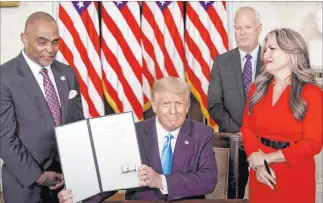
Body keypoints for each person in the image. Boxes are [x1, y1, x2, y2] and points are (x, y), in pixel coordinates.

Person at [58, 77, 218, 203]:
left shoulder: (201, 133)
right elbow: (112, 177)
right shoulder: (134, 132)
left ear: (188, 105)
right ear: (154, 106)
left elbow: (208, 180)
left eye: (179, 104)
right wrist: (79, 197)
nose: (173, 111)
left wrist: (161, 181)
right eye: (166, 104)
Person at [0, 12, 84, 203]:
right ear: (24, 39)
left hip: (67, 184)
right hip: (26, 186)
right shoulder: (5, 77)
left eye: (55, 42)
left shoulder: (67, 73)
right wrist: (38, 176)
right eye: (42, 42)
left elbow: (77, 125)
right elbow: (4, 138)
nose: (50, 49)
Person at [242, 28, 323, 203]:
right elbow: (247, 128)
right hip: (261, 173)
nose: (265, 54)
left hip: (296, 174)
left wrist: (267, 158)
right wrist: (256, 161)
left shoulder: (312, 92)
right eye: (265, 49)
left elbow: (313, 143)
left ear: (292, 52)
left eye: (273, 49)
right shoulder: (257, 88)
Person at [207, 6, 263, 198]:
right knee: (232, 196)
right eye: (238, 28)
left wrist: (256, 135)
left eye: (247, 27)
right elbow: (214, 104)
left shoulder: (273, 60)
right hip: (234, 141)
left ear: (259, 28)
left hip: (266, 143)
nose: (242, 32)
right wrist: (240, 133)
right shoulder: (221, 62)